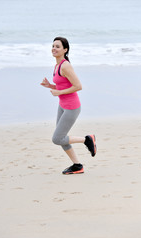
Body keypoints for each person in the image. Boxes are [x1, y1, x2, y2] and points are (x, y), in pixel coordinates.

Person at [41, 37, 97, 174]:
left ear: (65, 50)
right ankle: (77, 165)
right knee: (62, 137)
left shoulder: (65, 65)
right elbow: (63, 84)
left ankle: (87, 139)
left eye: (58, 46)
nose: (54, 48)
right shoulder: (57, 65)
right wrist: (50, 86)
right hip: (62, 105)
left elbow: (78, 86)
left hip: (72, 107)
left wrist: (59, 91)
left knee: (57, 138)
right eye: (53, 46)